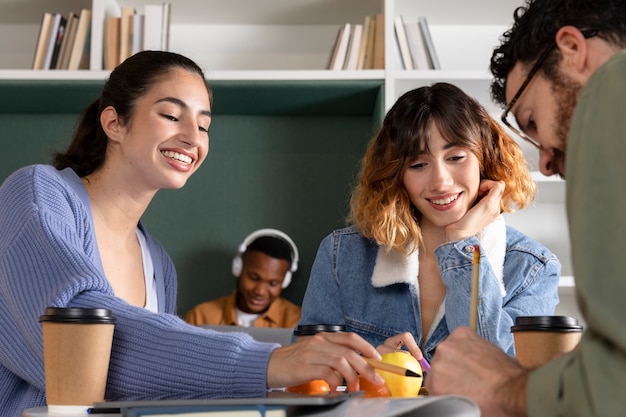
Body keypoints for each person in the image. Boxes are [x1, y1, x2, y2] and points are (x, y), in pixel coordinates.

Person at [0, 50, 387, 417]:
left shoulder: (158, 264)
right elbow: (79, 343)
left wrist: (345, 368)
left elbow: (152, 385)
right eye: (171, 115)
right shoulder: (37, 195)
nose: (193, 136)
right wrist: (267, 361)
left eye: (204, 125)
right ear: (114, 122)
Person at [425, 1, 626, 416]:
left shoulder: (612, 88)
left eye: (532, 120)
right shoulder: (344, 252)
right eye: (417, 162)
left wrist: (505, 387)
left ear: (572, 48)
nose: (547, 163)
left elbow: (613, 386)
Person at [296, 82, 561, 363]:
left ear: (485, 158)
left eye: (456, 157)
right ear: (397, 175)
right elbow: (305, 376)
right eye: (418, 165)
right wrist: (367, 368)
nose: (440, 182)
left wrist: (461, 242)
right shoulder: (342, 256)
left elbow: (501, 377)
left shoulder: (533, 269)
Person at [186, 228, 302, 328]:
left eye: (273, 283)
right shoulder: (200, 317)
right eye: (254, 278)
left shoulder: (298, 321)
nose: (260, 292)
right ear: (238, 268)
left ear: (285, 281)